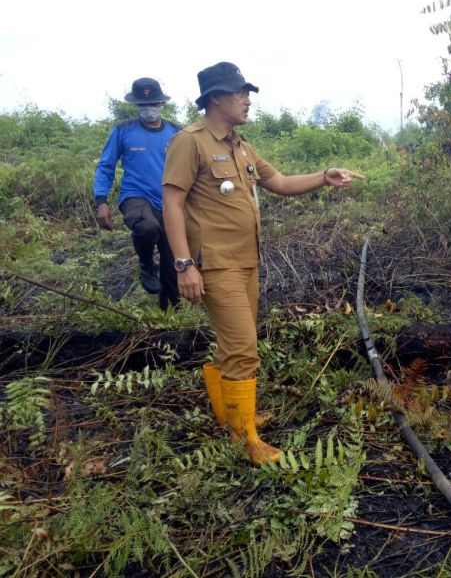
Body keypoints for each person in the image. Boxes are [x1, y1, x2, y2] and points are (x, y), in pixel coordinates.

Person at [162, 62, 363, 466]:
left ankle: (232, 416)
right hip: (214, 264)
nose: (247, 100)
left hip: (246, 262)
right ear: (217, 98)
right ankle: (245, 438)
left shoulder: (241, 146)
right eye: (241, 94)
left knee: (233, 346)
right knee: (243, 349)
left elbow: (282, 183)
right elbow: (172, 202)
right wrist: (184, 265)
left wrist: (325, 175)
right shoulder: (191, 142)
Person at [93, 77, 181, 310]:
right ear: (136, 107)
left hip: (170, 202)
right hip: (136, 197)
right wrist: (101, 201)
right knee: (146, 227)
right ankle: (145, 262)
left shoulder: (177, 132)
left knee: (172, 264)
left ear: (162, 104)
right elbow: (106, 165)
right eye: (143, 105)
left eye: (153, 104)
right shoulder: (123, 131)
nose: (148, 109)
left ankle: (169, 314)